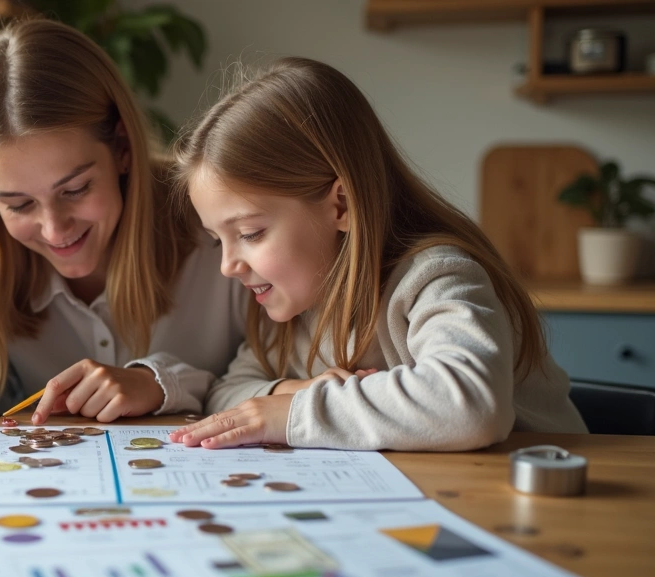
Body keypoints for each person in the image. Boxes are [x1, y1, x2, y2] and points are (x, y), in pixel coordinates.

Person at [169, 57, 586, 451]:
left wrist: (292, 412)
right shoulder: (295, 306)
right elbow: (226, 392)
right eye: (217, 240)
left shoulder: (435, 277)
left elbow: (472, 404)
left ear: (341, 205)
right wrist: (289, 391)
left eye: (250, 233)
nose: (228, 266)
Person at [0, 19, 248, 423]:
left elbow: (283, 377)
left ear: (122, 148)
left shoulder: (226, 236)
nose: (55, 229)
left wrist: (161, 384)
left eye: (75, 189)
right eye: (19, 205)